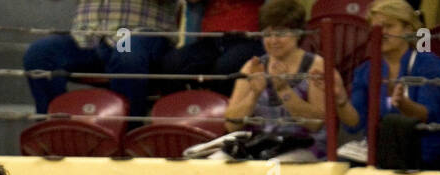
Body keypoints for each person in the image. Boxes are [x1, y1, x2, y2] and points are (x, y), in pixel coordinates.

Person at [215, 0, 338, 161]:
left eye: (280, 33)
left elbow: (315, 124)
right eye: (267, 34)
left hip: (308, 147)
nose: (273, 40)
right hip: (262, 146)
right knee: (215, 161)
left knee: (273, 167)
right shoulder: (252, 67)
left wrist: (284, 90)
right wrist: (254, 93)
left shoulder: (316, 66)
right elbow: (231, 125)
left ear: (298, 33)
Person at [23, 0, 179, 116]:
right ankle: (56, 128)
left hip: (131, 33)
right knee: (40, 53)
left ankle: (124, 133)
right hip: (85, 36)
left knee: (126, 53)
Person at [345, 0, 440, 169]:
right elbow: (354, 124)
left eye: (388, 26)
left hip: (423, 150)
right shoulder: (366, 70)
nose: (381, 33)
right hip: (379, 150)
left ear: (408, 29)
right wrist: (339, 100)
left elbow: (427, 114)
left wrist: (403, 104)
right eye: (376, 28)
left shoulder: (429, 64)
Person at [161, 0, 264, 97]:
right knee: (172, 63)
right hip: (211, 40)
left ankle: (224, 112)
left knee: (225, 67)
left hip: (247, 38)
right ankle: (178, 112)